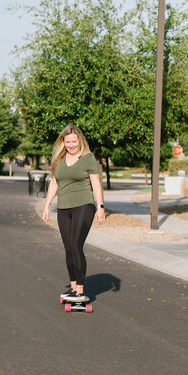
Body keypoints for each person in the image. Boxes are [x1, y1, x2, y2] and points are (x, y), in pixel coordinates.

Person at [40, 124, 106, 303]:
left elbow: (96, 184)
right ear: (63, 142)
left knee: (76, 245)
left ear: (80, 141)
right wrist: (46, 206)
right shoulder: (59, 159)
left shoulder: (88, 158)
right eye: (67, 141)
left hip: (84, 206)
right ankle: (73, 287)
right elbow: (54, 183)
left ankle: (81, 290)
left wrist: (100, 207)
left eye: (74, 141)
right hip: (64, 208)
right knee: (68, 248)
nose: (71, 145)